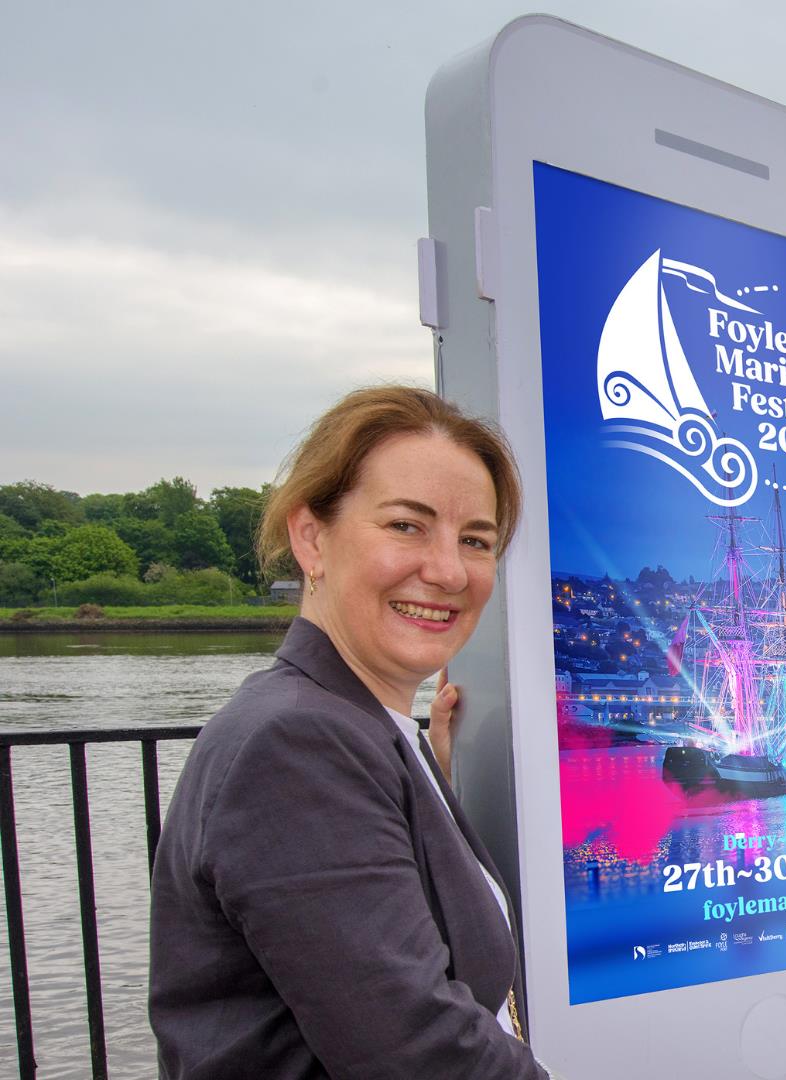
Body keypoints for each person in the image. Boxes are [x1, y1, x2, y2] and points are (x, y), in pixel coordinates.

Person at [149, 387, 551, 1079]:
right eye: (406, 526)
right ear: (312, 538)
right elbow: (415, 1048)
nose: (448, 570)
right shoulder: (296, 744)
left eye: (476, 540)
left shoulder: (369, 727)